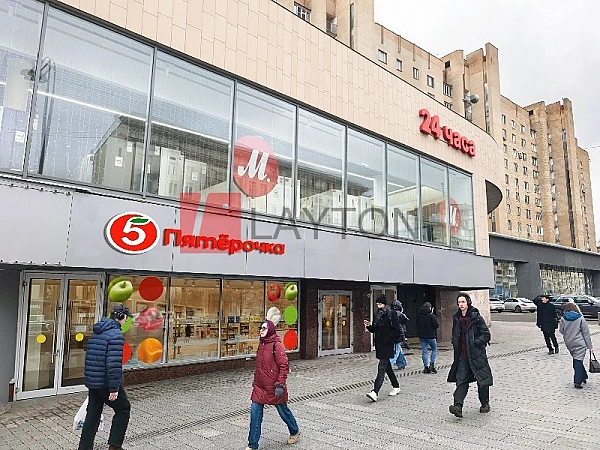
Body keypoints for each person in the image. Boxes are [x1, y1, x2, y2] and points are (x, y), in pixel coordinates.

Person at [78, 304, 132, 450]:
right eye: (126, 318)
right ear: (121, 316)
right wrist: (114, 388)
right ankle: (115, 445)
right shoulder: (116, 335)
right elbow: (113, 364)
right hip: (105, 383)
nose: (126, 321)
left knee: (93, 414)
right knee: (123, 409)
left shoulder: (97, 331)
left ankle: (84, 447)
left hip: (93, 382)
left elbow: (91, 358)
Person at [245, 320, 300, 450]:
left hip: (274, 387)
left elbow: (284, 366)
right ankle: (252, 445)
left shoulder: (277, 345)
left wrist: (280, 384)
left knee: (283, 411)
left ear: (270, 330)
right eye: (260, 328)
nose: (261, 330)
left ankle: (294, 431)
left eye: (264, 328)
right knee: (255, 414)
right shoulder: (261, 344)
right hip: (260, 387)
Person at [448, 293, 493, 418]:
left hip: (476, 355)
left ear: (468, 302)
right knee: (461, 380)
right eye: (459, 302)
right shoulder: (456, 317)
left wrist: (475, 343)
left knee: (482, 379)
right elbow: (455, 334)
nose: (461, 304)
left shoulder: (476, 317)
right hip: (462, 355)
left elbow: (486, 335)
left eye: (463, 302)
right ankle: (458, 406)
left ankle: (485, 403)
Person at [364, 295, 401, 401]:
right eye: (377, 304)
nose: (378, 306)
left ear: (384, 304)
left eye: (380, 304)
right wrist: (369, 326)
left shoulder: (391, 313)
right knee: (387, 367)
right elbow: (376, 329)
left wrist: (389, 338)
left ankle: (375, 392)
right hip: (380, 344)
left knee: (381, 368)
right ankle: (396, 386)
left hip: (387, 344)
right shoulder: (377, 314)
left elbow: (397, 330)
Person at [559, 302, 594, 389]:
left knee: (577, 359)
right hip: (580, 343)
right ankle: (577, 381)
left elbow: (561, 331)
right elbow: (586, 333)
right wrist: (590, 347)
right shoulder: (580, 318)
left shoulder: (563, 319)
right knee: (578, 360)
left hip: (569, 343)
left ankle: (583, 376)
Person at [417, 301, 439, 373]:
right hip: (431, 336)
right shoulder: (431, 316)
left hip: (422, 336)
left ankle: (426, 367)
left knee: (424, 351)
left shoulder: (420, 316)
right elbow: (436, 325)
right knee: (434, 349)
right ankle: (432, 364)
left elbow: (417, 325)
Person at [390, 300, 408, 370]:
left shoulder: (389, 313)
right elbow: (405, 321)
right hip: (397, 336)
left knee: (398, 349)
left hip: (391, 335)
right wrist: (403, 338)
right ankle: (388, 366)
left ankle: (402, 363)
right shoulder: (400, 315)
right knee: (396, 351)